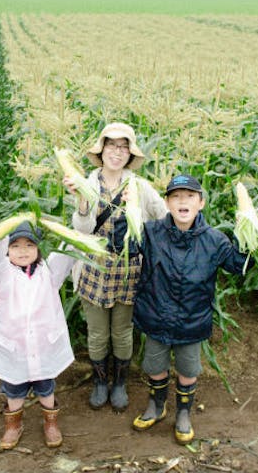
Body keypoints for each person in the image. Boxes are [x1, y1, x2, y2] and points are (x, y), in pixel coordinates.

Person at [130, 174, 253, 444]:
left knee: (188, 370)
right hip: (156, 317)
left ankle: (183, 413)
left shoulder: (215, 240)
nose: (182, 201)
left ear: (201, 203)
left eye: (189, 196)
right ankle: (157, 405)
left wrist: (247, 235)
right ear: (167, 203)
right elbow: (125, 247)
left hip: (191, 322)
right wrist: (123, 220)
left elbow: (238, 266)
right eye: (175, 197)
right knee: (154, 366)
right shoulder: (150, 233)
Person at [63, 122, 168, 412]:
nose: (117, 152)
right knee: (97, 333)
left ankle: (120, 382)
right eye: (111, 145)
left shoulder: (140, 187)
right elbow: (82, 229)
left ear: (130, 154)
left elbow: (164, 217)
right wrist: (82, 201)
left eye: (123, 147)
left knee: (122, 332)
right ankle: (100, 382)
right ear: (102, 150)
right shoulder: (87, 182)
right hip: (93, 268)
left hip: (129, 270)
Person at [0, 222, 75, 450]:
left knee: (46, 385)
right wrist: (1, 230)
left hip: (43, 345)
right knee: (14, 388)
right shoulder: (1, 275)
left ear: (39, 249)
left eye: (30, 245)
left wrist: (73, 225)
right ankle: (14, 425)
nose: (23, 250)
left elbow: (69, 250)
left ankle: (50, 423)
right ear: (7, 250)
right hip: (14, 348)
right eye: (15, 245)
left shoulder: (49, 273)